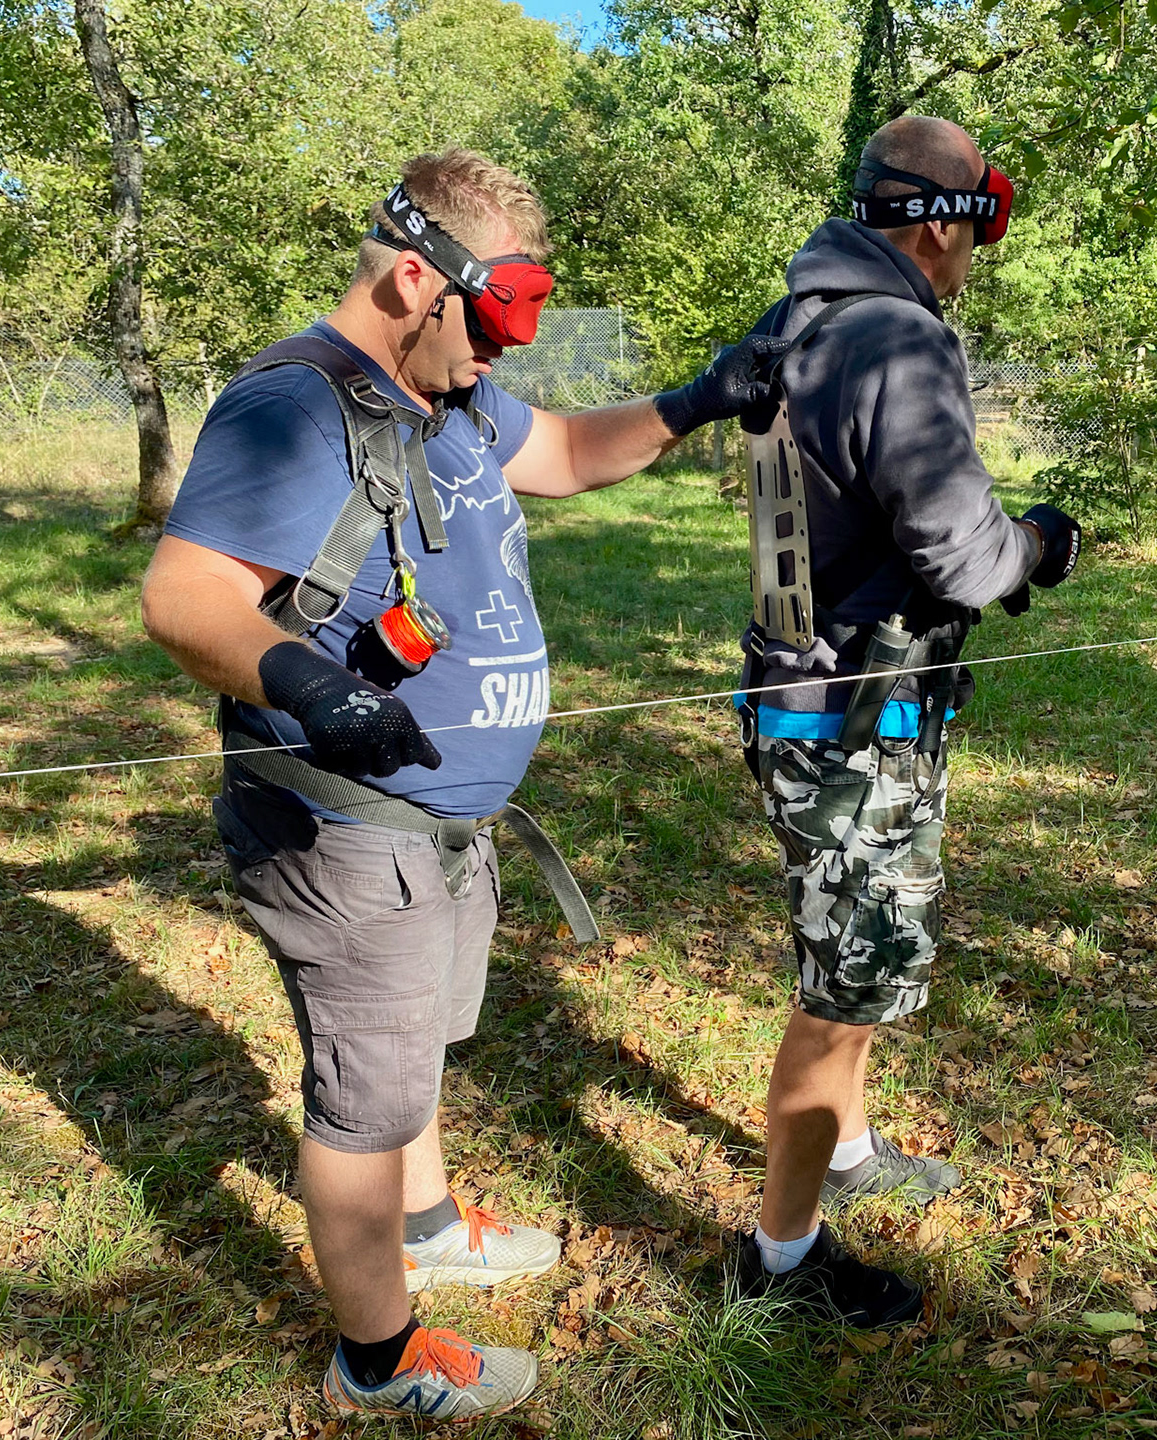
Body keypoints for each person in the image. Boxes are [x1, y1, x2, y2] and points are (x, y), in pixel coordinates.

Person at [141, 149, 776, 1422]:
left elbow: (574, 452)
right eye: (486, 326)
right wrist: (309, 686)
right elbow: (184, 595)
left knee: (414, 1050)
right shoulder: (293, 406)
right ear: (416, 280)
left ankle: (425, 1225)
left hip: (447, 828)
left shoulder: (458, 394)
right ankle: (374, 1360)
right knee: (366, 1099)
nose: (498, 355)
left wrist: (697, 399)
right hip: (344, 831)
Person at [729, 116, 1081, 1326]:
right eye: (986, 212)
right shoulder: (897, 336)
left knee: (856, 969)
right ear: (941, 221)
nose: (985, 241)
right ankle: (780, 1258)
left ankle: (850, 1152)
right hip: (849, 718)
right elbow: (964, 552)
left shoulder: (809, 318)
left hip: (816, 695)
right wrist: (1044, 543)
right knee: (843, 988)